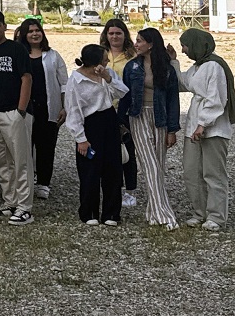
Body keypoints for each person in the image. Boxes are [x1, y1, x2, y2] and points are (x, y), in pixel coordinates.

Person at [168, 28, 233, 231]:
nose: (183, 50)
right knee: (192, 172)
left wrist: (203, 124)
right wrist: (174, 61)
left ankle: (216, 216)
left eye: (185, 46)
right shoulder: (198, 67)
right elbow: (184, 83)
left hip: (213, 130)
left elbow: (216, 99)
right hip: (195, 128)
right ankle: (200, 212)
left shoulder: (214, 66)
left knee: (213, 174)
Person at [0, 10, 35, 226]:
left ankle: (25, 207)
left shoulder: (17, 49)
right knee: (1, 161)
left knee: (21, 161)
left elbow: (26, 78)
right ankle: (10, 201)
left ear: (4, 26)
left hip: (14, 113)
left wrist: (21, 110)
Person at [64, 45, 129, 226]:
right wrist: (81, 139)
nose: (107, 60)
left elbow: (123, 92)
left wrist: (108, 78)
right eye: (104, 58)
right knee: (90, 170)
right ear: (95, 62)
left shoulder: (106, 74)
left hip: (109, 120)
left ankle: (111, 213)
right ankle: (88, 212)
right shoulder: (76, 80)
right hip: (90, 124)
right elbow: (73, 110)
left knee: (113, 169)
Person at [122, 28, 180, 229]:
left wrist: (172, 130)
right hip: (138, 117)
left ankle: (153, 212)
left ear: (151, 44)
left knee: (159, 166)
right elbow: (125, 95)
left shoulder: (166, 69)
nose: (136, 44)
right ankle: (165, 215)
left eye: (140, 41)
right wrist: (120, 122)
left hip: (160, 118)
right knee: (150, 166)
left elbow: (173, 100)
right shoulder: (132, 67)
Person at [15, 19, 67, 201]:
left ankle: (44, 182)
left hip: (47, 108)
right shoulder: (19, 55)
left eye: (37, 30)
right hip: (24, 108)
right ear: (24, 34)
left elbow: (64, 83)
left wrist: (64, 107)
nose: (35, 34)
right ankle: (26, 181)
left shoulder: (53, 56)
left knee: (46, 147)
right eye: (30, 31)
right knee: (23, 147)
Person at [100, 19, 139, 207]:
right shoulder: (100, 54)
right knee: (108, 151)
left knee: (127, 151)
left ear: (125, 35)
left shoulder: (133, 57)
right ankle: (113, 188)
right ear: (106, 35)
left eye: (118, 33)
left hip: (126, 108)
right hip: (103, 108)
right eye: (111, 33)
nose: (114, 36)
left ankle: (130, 190)